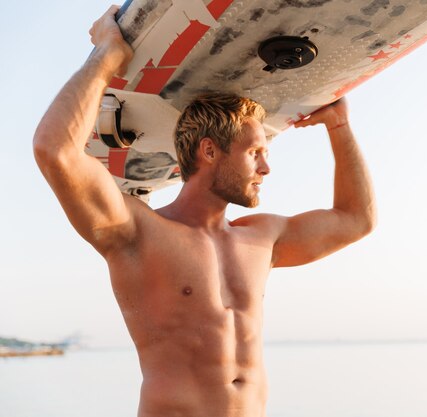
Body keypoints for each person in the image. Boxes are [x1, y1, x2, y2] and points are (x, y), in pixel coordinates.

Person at [33, 5, 376, 417]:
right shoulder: (135, 231)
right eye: (254, 153)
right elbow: (56, 151)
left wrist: (339, 126)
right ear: (209, 151)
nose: (266, 168)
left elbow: (357, 219)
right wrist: (107, 56)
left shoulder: (262, 238)